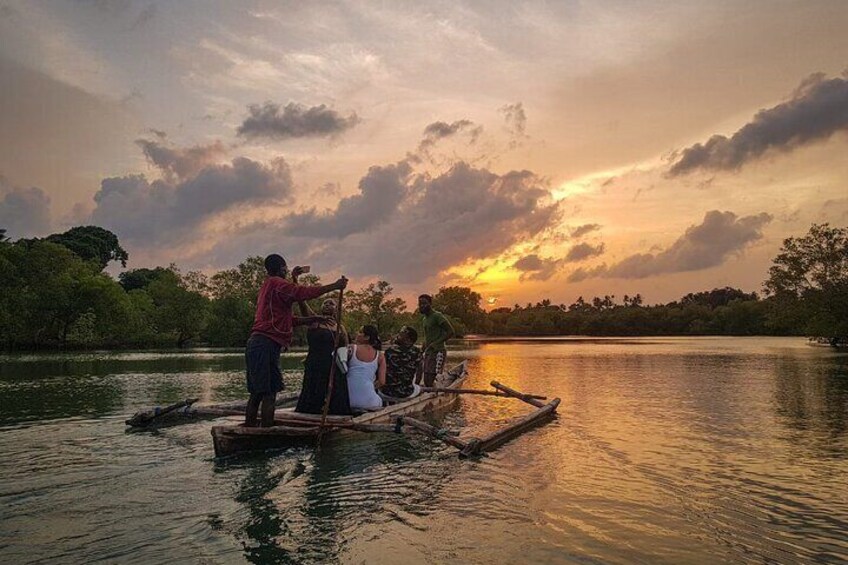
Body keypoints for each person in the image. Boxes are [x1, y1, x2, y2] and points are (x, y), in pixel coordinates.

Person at [245, 254, 347, 427]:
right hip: (264, 343)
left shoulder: (269, 286)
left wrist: (313, 319)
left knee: (264, 391)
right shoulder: (276, 283)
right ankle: (263, 432)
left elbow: (289, 319)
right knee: (265, 393)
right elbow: (302, 293)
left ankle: (257, 429)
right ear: (282, 268)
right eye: (285, 269)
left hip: (265, 344)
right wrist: (335, 286)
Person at [293, 291, 352, 415]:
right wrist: (295, 282)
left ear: (336, 309)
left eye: (331, 304)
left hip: (334, 364)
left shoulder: (340, 327)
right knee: (314, 390)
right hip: (316, 363)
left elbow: (346, 347)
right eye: (325, 303)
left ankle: (334, 413)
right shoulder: (315, 321)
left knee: (336, 392)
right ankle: (310, 414)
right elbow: (303, 305)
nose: (327, 305)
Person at [416, 294, 454, 387]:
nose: (421, 306)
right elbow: (428, 336)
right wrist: (423, 348)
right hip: (429, 352)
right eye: (420, 304)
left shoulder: (437, 316)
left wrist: (436, 343)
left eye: (424, 303)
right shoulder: (424, 319)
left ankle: (435, 395)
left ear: (430, 304)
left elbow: (451, 332)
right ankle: (431, 394)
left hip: (438, 351)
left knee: (430, 380)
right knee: (426, 380)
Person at [346, 325, 386, 411]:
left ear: (367, 337)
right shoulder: (380, 355)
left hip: (347, 401)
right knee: (379, 400)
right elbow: (382, 382)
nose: (357, 333)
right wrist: (369, 387)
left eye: (360, 332)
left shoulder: (351, 349)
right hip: (370, 402)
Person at [380, 326, 422, 399]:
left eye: (401, 334)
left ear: (408, 339)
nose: (398, 336)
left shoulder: (390, 351)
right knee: (417, 387)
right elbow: (419, 373)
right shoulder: (417, 352)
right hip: (407, 392)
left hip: (387, 392)